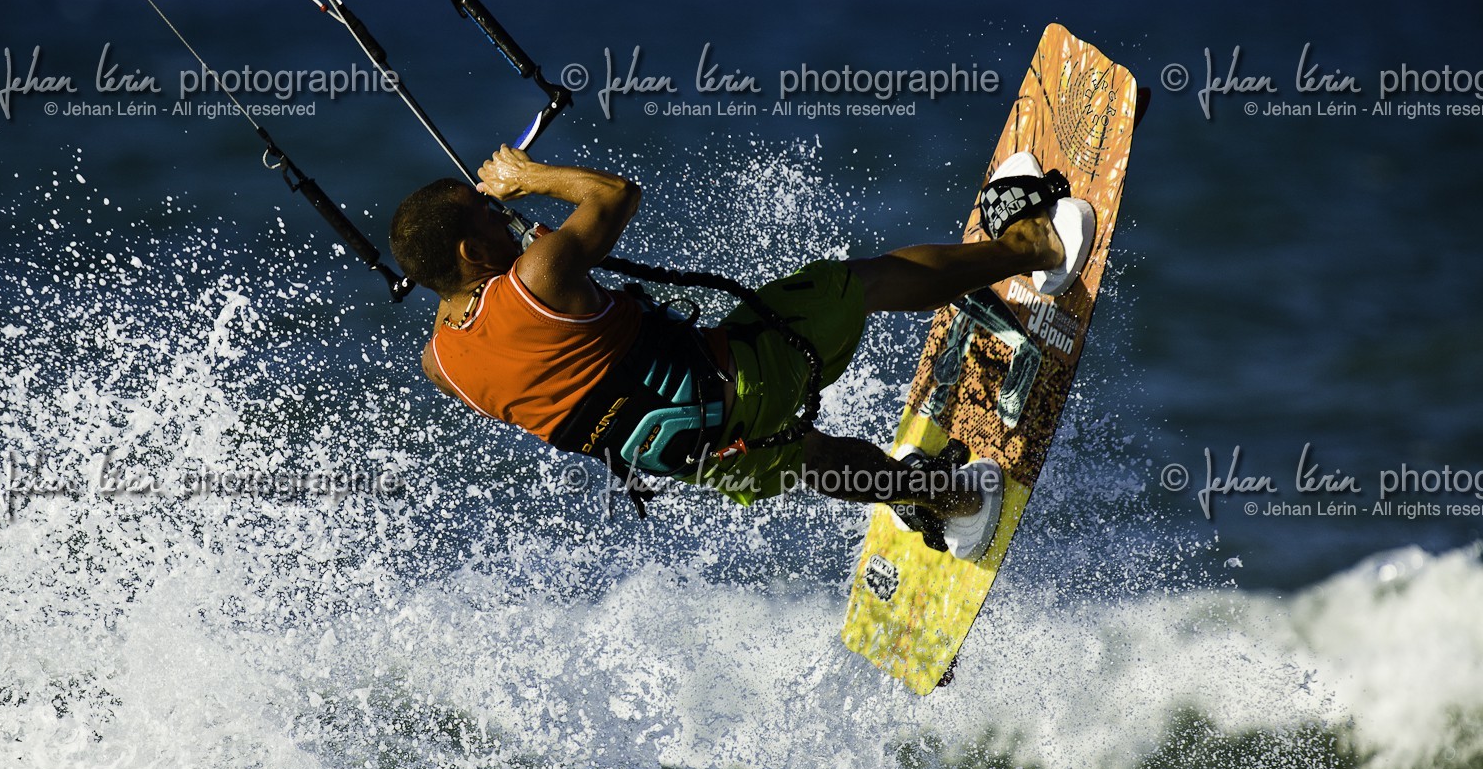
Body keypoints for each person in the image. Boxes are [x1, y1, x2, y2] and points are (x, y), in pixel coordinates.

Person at [389, 146, 1092, 559]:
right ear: (472, 250)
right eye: (490, 212)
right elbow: (615, 195)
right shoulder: (536, 277)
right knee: (862, 283)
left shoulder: (441, 366)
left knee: (808, 457)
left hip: (698, 457)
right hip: (745, 380)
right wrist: (527, 175)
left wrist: (533, 251)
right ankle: (1030, 246)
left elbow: (532, 346)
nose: (502, 212)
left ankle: (950, 498)